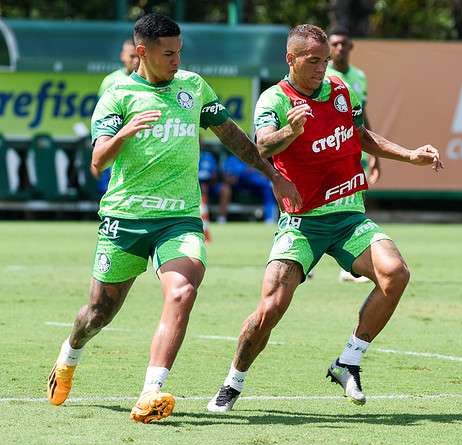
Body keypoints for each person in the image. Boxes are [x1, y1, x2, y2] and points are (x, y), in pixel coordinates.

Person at [46, 13, 299, 424]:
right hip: (125, 218)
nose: (176, 60)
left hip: (178, 219)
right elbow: (97, 160)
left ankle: (151, 391)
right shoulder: (118, 95)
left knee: (182, 292)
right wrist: (125, 133)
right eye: (168, 54)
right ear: (142, 52)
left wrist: (273, 175)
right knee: (98, 314)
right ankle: (69, 354)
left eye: (180, 51)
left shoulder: (193, 87)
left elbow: (232, 136)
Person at [206, 24, 442, 413]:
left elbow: (360, 135)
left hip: (349, 216)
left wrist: (410, 154)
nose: (321, 69)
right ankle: (233, 381)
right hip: (302, 222)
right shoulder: (275, 99)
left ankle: (348, 361)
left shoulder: (339, 89)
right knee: (270, 308)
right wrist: (289, 130)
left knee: (396, 273)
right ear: (291, 59)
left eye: (325, 61)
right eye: (313, 61)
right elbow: (262, 145)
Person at [326, 28, 380, 283]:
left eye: (344, 44)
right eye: (335, 44)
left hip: (351, 148)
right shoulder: (322, 74)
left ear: (351, 46)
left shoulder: (359, 76)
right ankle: (304, 257)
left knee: (354, 200)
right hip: (324, 149)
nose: (339, 48)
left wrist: (374, 154)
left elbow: (362, 116)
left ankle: (351, 265)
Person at [96, 40, 141, 196]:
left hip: (141, 146)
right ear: (123, 56)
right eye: (132, 56)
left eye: (139, 56)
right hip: (116, 144)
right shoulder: (111, 81)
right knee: (111, 188)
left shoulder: (150, 80)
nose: (136, 60)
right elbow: (101, 120)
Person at [216, 153, 279, 224]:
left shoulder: (251, 157)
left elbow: (260, 173)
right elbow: (226, 177)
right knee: (226, 188)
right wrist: (236, 178)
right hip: (236, 185)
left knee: (267, 186)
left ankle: (270, 218)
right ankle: (221, 218)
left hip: (253, 186)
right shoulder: (232, 159)